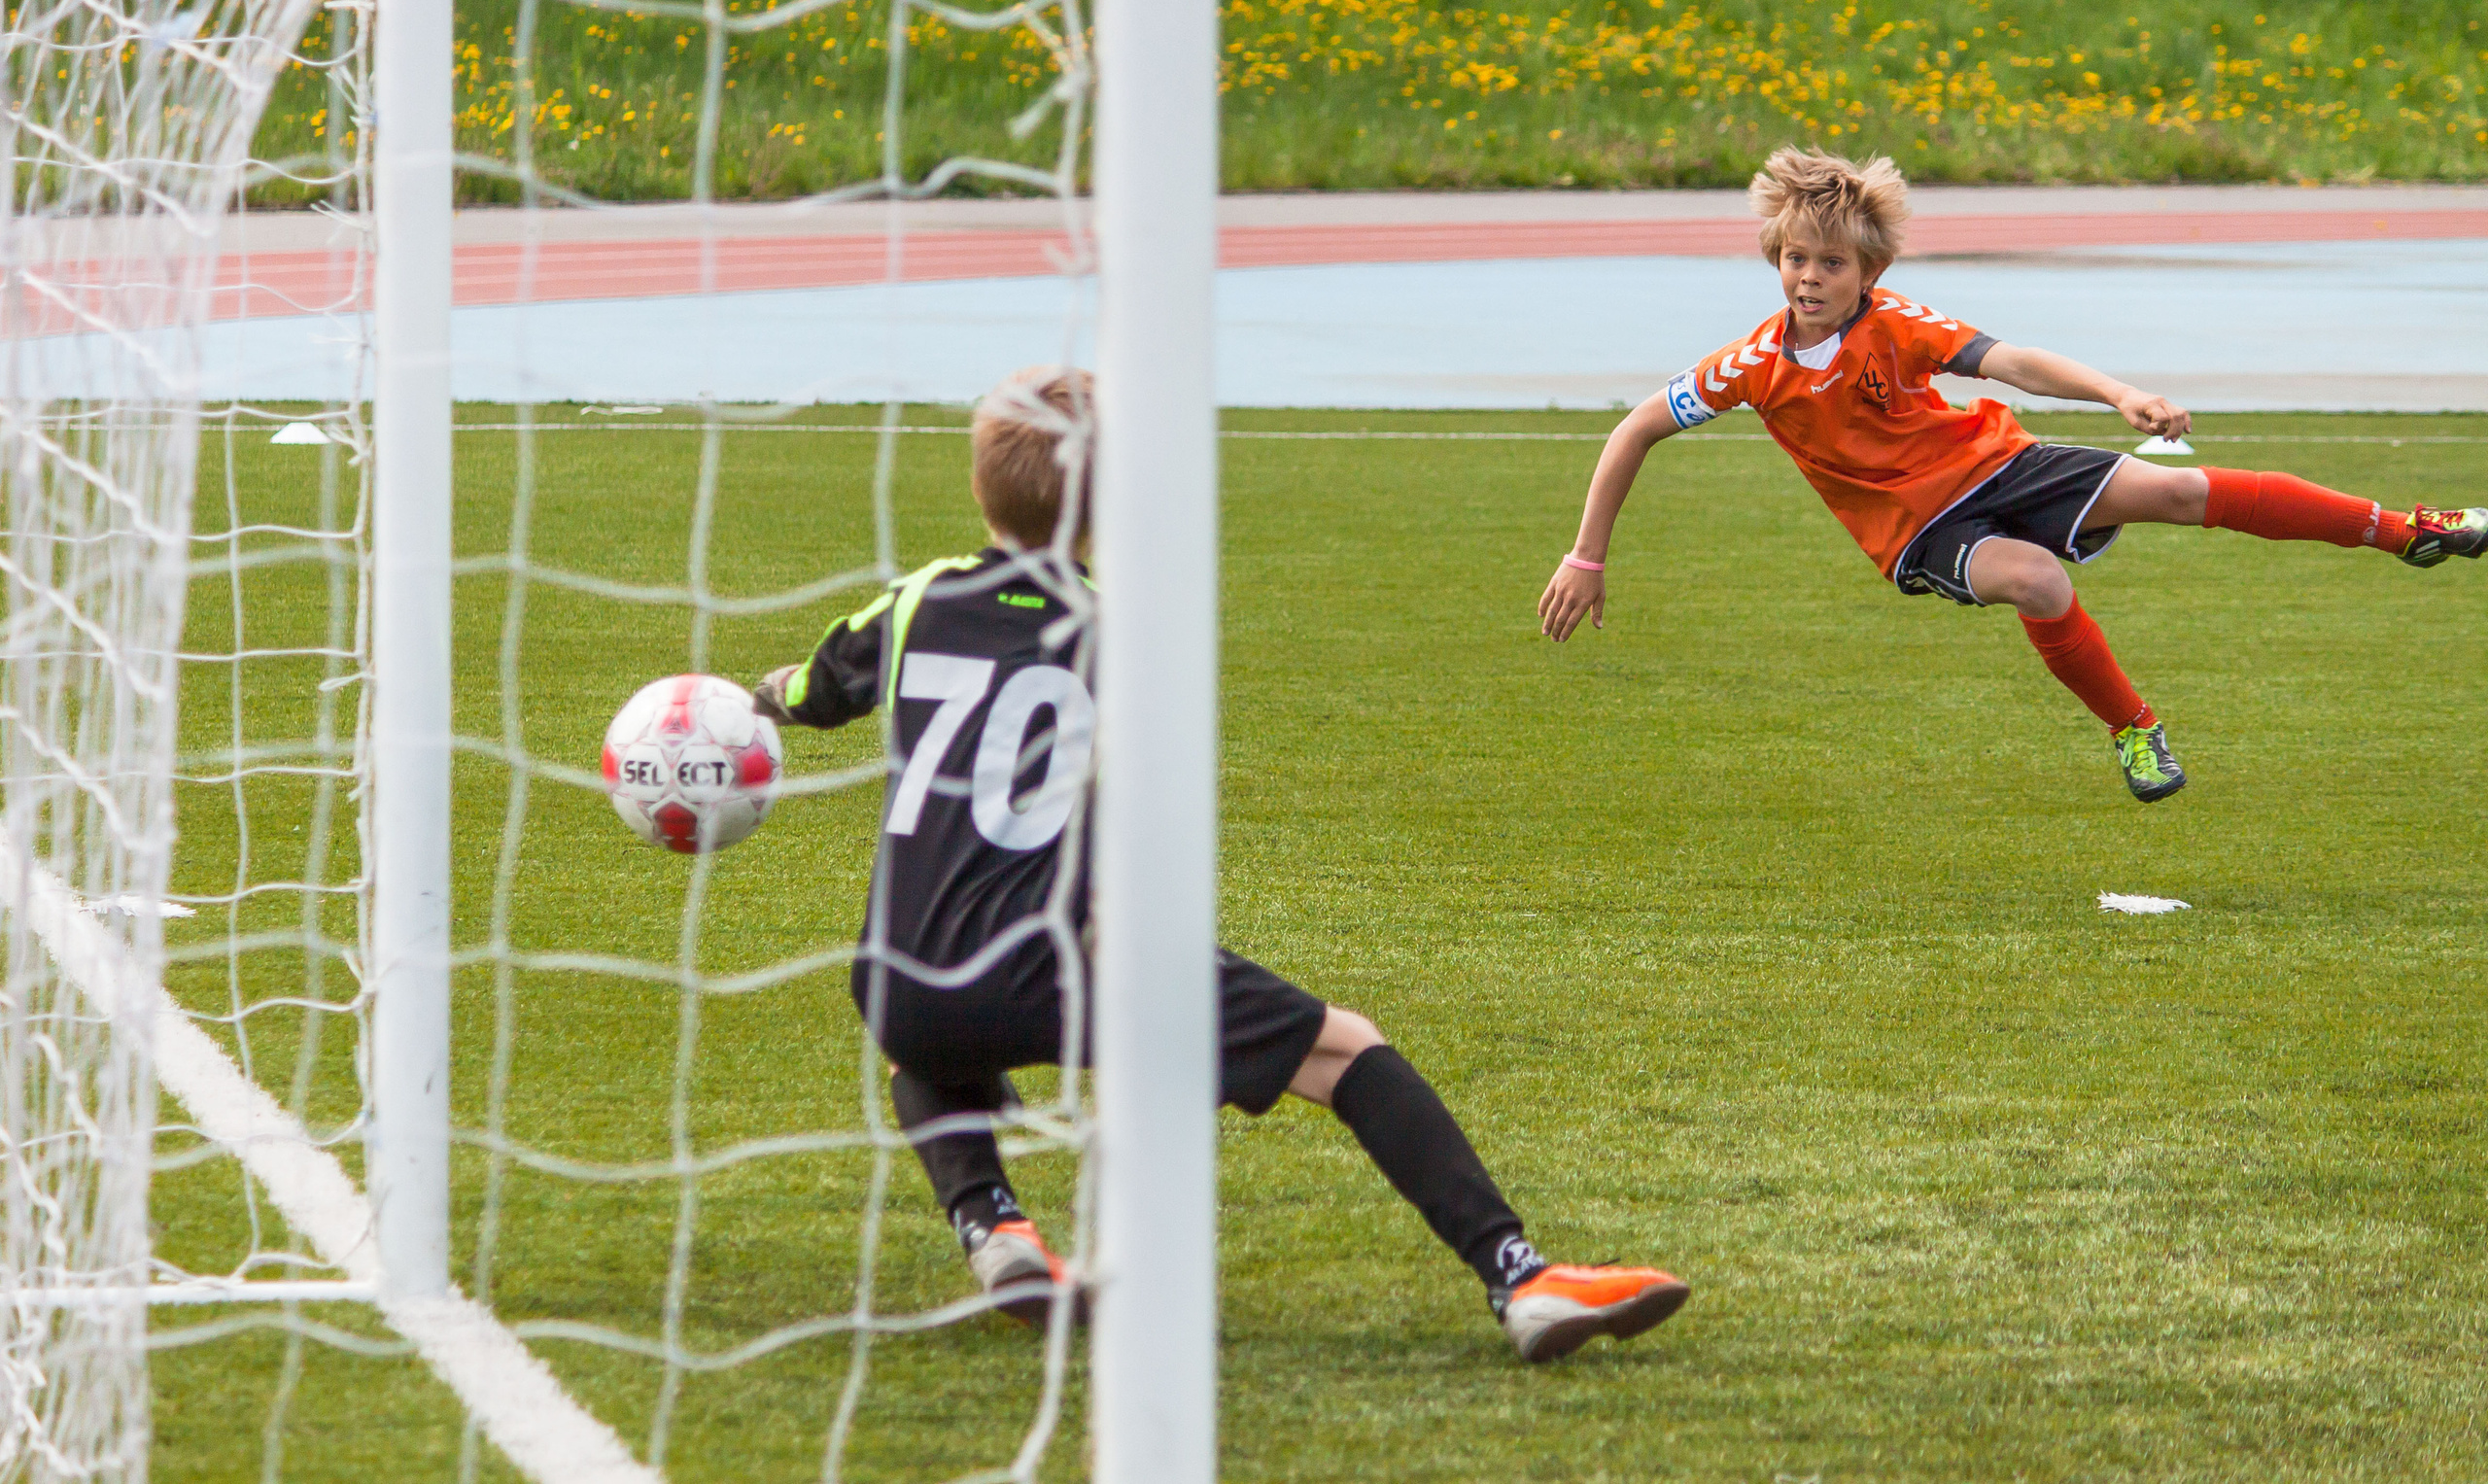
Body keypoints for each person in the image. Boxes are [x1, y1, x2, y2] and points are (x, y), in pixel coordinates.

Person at [754, 366, 1688, 1363]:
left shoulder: (913, 604)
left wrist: (737, 704)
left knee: (924, 1042)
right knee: (1341, 1048)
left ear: (981, 487)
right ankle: (1519, 1275)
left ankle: (993, 1225)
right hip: (1055, 966)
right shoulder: (1120, 630)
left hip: (901, 981)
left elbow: (809, 689)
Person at [1538, 147, 2487, 802]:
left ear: (1867, 270)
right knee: (2036, 580)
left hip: (2000, 466)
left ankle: (2404, 530)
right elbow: (1635, 430)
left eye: (1829, 262)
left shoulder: (1897, 322)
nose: (1808, 277)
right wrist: (1586, 557)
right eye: (1794, 259)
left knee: (2182, 491)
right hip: (1916, 531)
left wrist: (2120, 394)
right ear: (1773, 262)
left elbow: (2013, 362)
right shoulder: (1750, 363)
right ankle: (2133, 728)